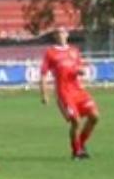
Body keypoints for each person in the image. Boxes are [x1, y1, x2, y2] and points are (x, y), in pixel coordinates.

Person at [39, 26, 100, 160]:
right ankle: (76, 151)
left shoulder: (74, 50)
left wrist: (81, 71)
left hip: (78, 90)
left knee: (95, 116)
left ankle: (82, 143)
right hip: (64, 93)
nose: (60, 34)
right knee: (76, 122)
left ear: (67, 34)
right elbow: (43, 74)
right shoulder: (50, 53)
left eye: (63, 32)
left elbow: (79, 67)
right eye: (58, 32)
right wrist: (44, 94)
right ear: (55, 36)